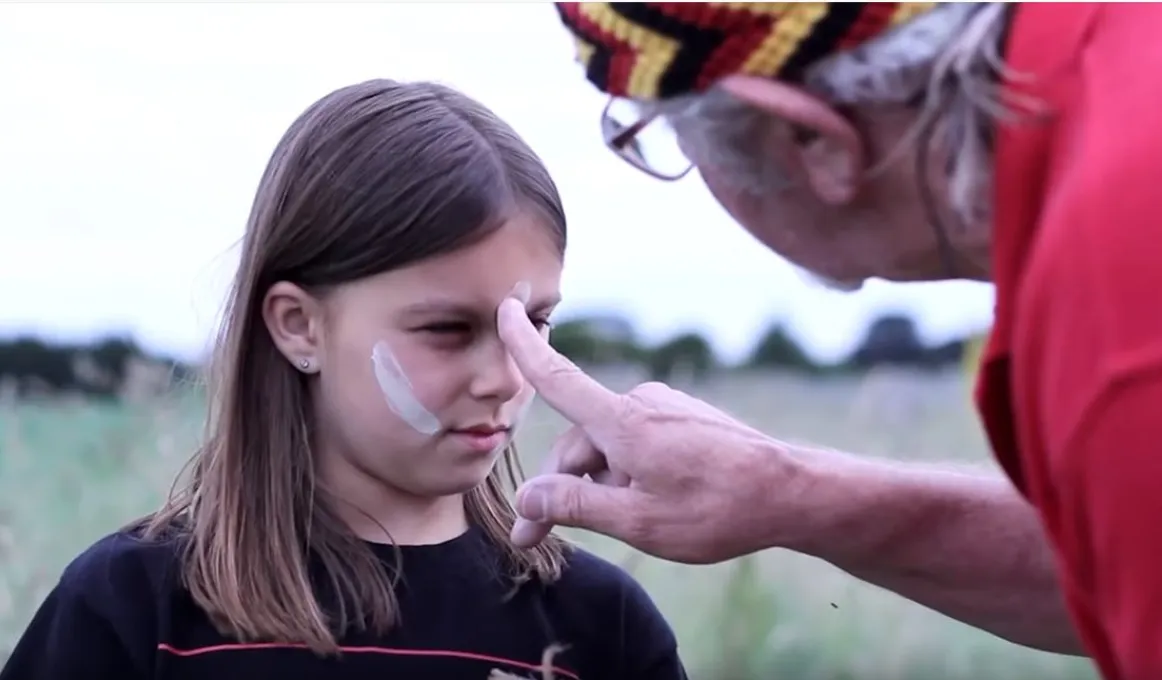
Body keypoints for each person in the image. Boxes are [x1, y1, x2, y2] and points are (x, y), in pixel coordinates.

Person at [497, 3, 1162, 679]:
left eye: (667, 141)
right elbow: (1127, 559)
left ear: (807, 138)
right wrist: (784, 490)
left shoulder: (1120, 339)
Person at [0, 79, 685, 680]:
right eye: (447, 329)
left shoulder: (596, 628)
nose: (505, 377)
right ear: (299, 324)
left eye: (534, 325)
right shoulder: (136, 610)